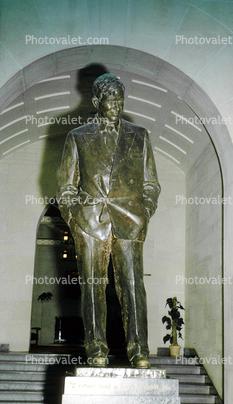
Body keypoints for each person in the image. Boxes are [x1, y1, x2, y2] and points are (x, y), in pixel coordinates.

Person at [57, 73, 160, 368]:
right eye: (110, 99)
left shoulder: (139, 136)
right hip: (90, 222)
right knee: (92, 286)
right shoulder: (77, 136)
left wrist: (146, 210)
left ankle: (139, 349)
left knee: (132, 285)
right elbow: (66, 187)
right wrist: (74, 218)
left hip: (129, 220)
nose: (116, 105)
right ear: (96, 102)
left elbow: (150, 183)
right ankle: (96, 347)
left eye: (120, 99)